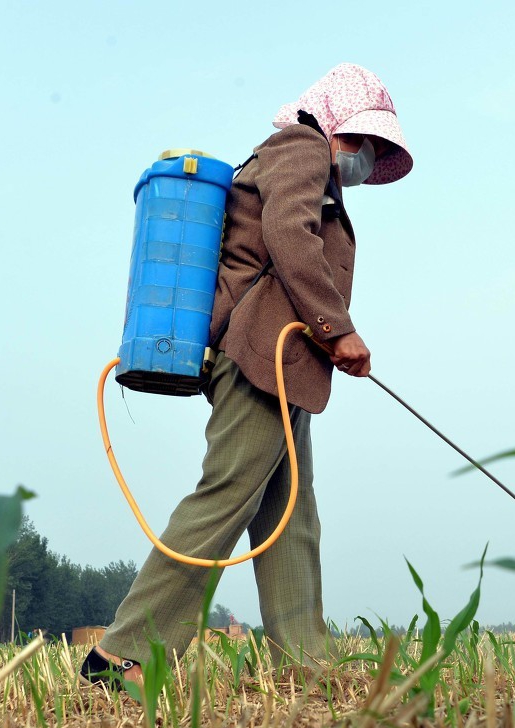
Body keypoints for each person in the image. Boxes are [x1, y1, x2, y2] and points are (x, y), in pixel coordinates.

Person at [82, 64, 413, 687]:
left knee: (290, 516)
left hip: (285, 365)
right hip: (262, 356)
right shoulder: (300, 146)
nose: (367, 157)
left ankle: (306, 665)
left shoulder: (310, 164)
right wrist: (337, 328)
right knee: (226, 497)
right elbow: (290, 234)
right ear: (337, 123)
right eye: (365, 141)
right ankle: (122, 655)